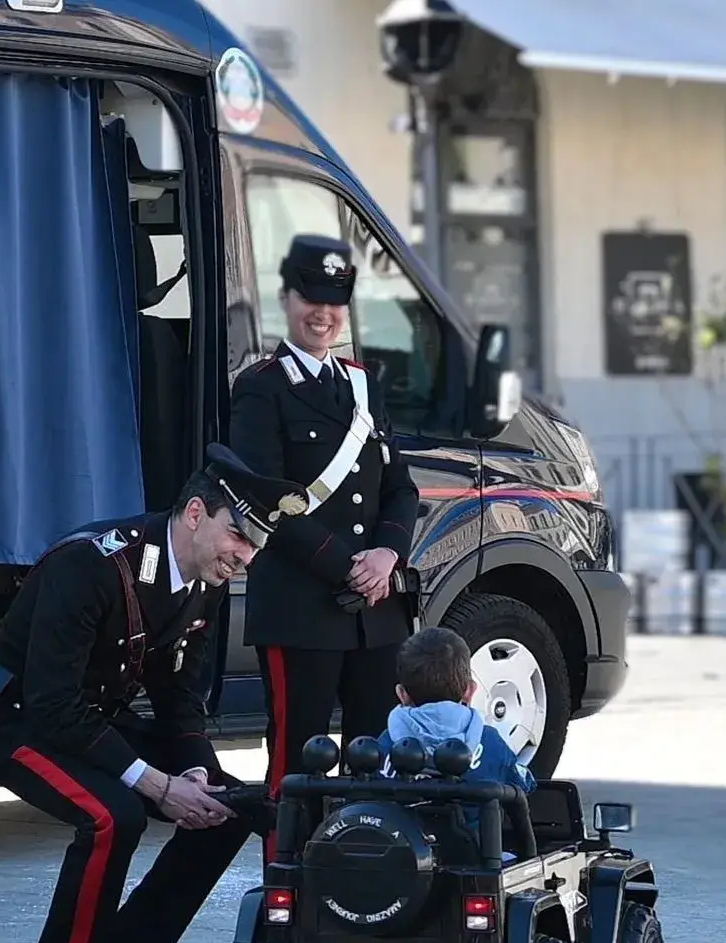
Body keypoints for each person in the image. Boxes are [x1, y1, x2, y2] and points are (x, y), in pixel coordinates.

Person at [0, 443, 310, 943]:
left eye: (255, 546)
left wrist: (194, 773)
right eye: (237, 534)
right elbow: (51, 704)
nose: (245, 557)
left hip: (87, 723)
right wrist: (157, 785)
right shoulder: (92, 564)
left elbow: (179, 693)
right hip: (14, 721)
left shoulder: (205, 577)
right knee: (113, 816)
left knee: (227, 807)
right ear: (195, 513)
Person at [227, 232, 421, 858]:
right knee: (296, 765)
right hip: (303, 607)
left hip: (376, 613)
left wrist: (387, 555)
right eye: (311, 296)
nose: (323, 313)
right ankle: (288, 893)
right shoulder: (261, 387)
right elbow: (266, 498)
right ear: (286, 298)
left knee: (378, 761)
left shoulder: (363, 385)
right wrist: (350, 565)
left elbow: (400, 488)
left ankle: (368, 885)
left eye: (335, 300)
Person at [377, 625, 536, 793]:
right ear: (470, 691)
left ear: (402, 694)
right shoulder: (491, 742)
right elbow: (524, 785)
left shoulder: (386, 744)